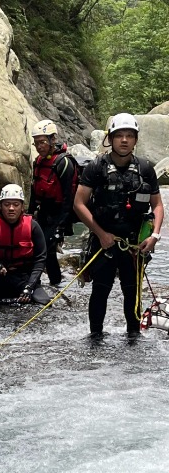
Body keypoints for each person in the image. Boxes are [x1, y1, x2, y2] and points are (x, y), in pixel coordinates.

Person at [73, 111, 163, 339]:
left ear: (135, 139)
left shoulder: (145, 169)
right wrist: (101, 234)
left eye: (129, 136)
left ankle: (133, 337)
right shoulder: (96, 167)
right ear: (110, 138)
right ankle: (95, 337)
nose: (124, 140)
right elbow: (78, 204)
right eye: (119, 135)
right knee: (100, 290)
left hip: (134, 245)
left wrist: (154, 236)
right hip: (104, 243)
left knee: (132, 293)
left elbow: (158, 206)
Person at [0, 184, 47, 311]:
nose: (11, 208)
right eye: (7, 204)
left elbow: (40, 259)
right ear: (0, 206)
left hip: (24, 278)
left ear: (22, 206)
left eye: (16, 204)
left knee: (45, 303)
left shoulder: (33, 227)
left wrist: (29, 286)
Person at [30, 119, 77, 286]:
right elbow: (34, 190)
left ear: (52, 140)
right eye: (36, 143)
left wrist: (61, 226)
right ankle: (52, 282)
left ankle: (47, 282)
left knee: (46, 248)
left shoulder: (64, 163)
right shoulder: (38, 162)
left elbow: (69, 197)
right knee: (41, 248)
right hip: (44, 211)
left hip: (59, 213)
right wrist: (28, 215)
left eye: (42, 142)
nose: (39, 146)